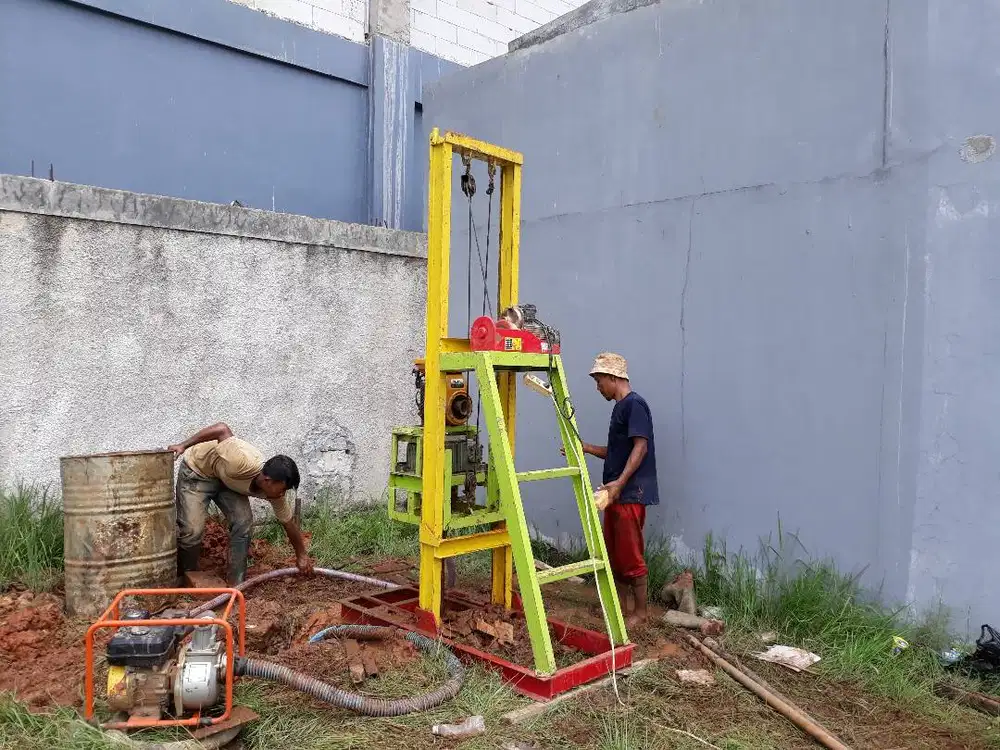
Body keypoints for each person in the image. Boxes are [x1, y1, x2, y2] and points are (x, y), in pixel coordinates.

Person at [167, 422, 314, 585]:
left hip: (226, 481)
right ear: (268, 481)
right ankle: (188, 577)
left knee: (243, 523)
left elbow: (288, 522)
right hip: (198, 471)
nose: (283, 494)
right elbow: (221, 429)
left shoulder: (274, 491)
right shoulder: (241, 463)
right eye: (283, 489)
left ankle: (236, 583)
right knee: (192, 531)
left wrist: (301, 554)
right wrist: (182, 445)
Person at [570, 353, 658, 626]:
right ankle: (621, 607)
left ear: (613, 377)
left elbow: (640, 447)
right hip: (615, 494)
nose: (598, 388)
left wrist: (620, 483)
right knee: (616, 553)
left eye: (599, 381)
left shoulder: (635, 405)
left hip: (630, 493)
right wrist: (586, 448)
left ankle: (641, 613)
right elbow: (616, 453)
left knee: (630, 554)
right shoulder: (620, 408)